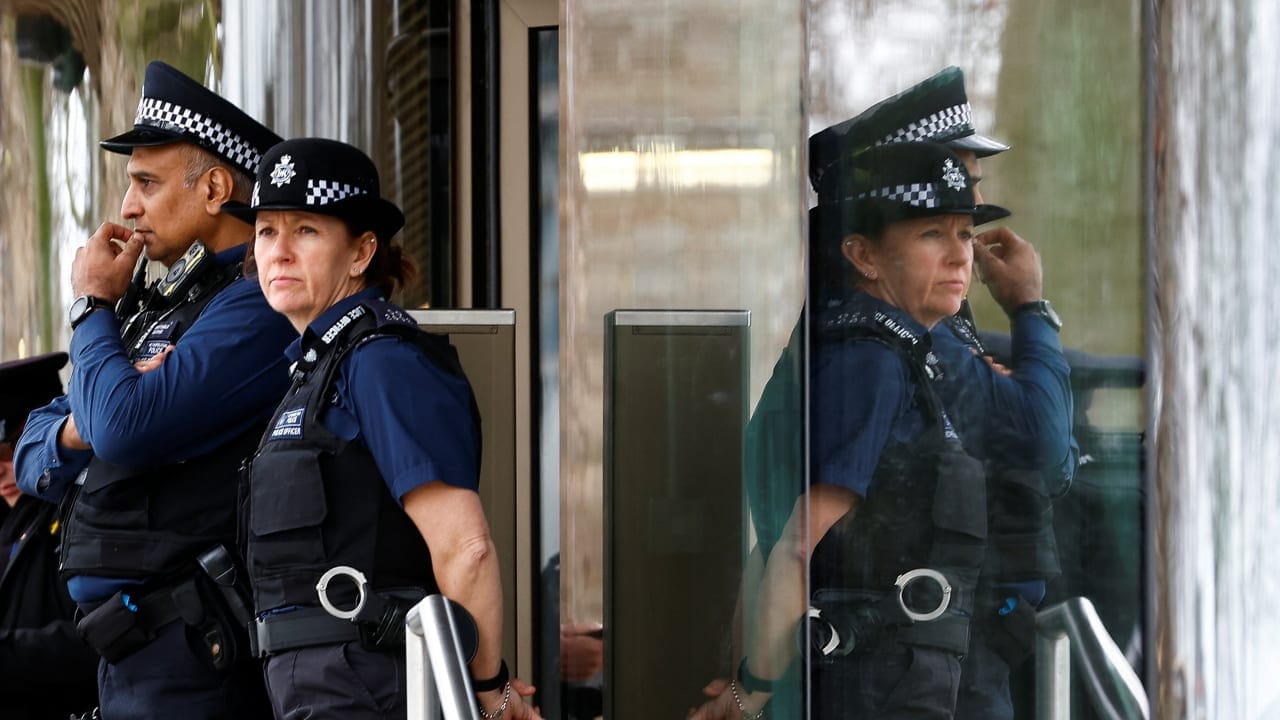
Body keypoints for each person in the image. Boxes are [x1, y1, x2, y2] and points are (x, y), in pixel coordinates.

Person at [741, 67, 1075, 720]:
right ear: (865, 248)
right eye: (934, 224)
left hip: (935, 657)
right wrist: (1032, 310)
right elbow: (1043, 444)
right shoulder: (874, 348)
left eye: (964, 220)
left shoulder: (897, 332)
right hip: (911, 666)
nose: (964, 251)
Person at [220, 137, 538, 720]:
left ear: (362, 251)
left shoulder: (383, 361)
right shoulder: (317, 367)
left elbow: (465, 548)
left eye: (306, 231)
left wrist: (489, 691)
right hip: (320, 687)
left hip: (368, 686)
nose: (279, 252)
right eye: (267, 232)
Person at [13, 60, 291, 719]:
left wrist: (89, 308)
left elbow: (126, 428)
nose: (128, 208)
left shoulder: (253, 307)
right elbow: (32, 451)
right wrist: (84, 421)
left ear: (216, 187)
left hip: (192, 652)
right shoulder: (155, 308)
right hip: (130, 650)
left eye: (145, 183)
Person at [694, 141, 1007, 720]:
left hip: (894, 676)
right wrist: (750, 691)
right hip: (872, 684)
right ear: (863, 255)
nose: (960, 257)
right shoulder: (870, 362)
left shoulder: (894, 354)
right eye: (930, 235)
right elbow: (793, 544)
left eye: (965, 234)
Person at [0, 352, 99, 720]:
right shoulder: (12, 523)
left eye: (10, 448)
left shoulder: (80, 508)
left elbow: (99, 635)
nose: (2, 469)